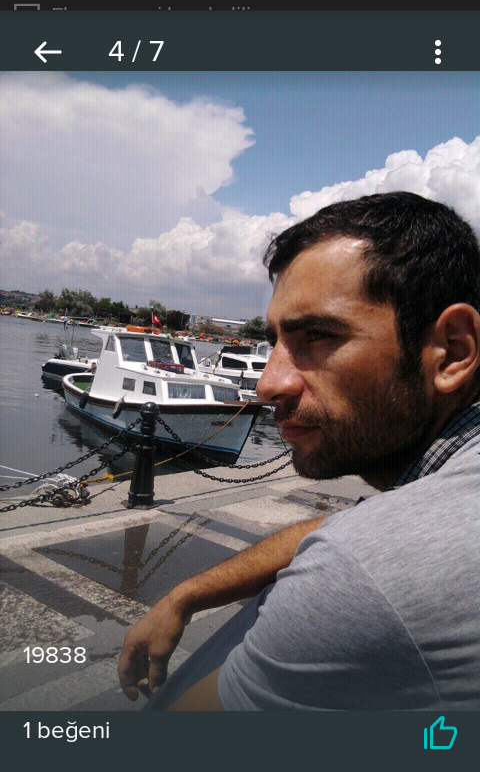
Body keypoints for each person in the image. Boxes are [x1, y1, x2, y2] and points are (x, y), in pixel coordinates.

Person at [118, 191, 480, 710]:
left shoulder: (360, 579)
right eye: (275, 342)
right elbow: (349, 526)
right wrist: (187, 593)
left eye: (317, 335)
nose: (268, 384)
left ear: (453, 351)